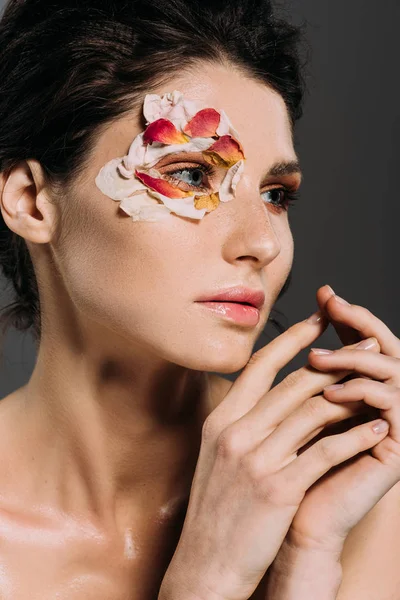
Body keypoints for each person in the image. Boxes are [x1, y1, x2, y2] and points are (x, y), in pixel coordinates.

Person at [1, 1, 400, 599]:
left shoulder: (353, 494)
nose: (263, 243)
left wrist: (304, 562)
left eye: (275, 194)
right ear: (32, 201)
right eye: (190, 175)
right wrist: (206, 584)